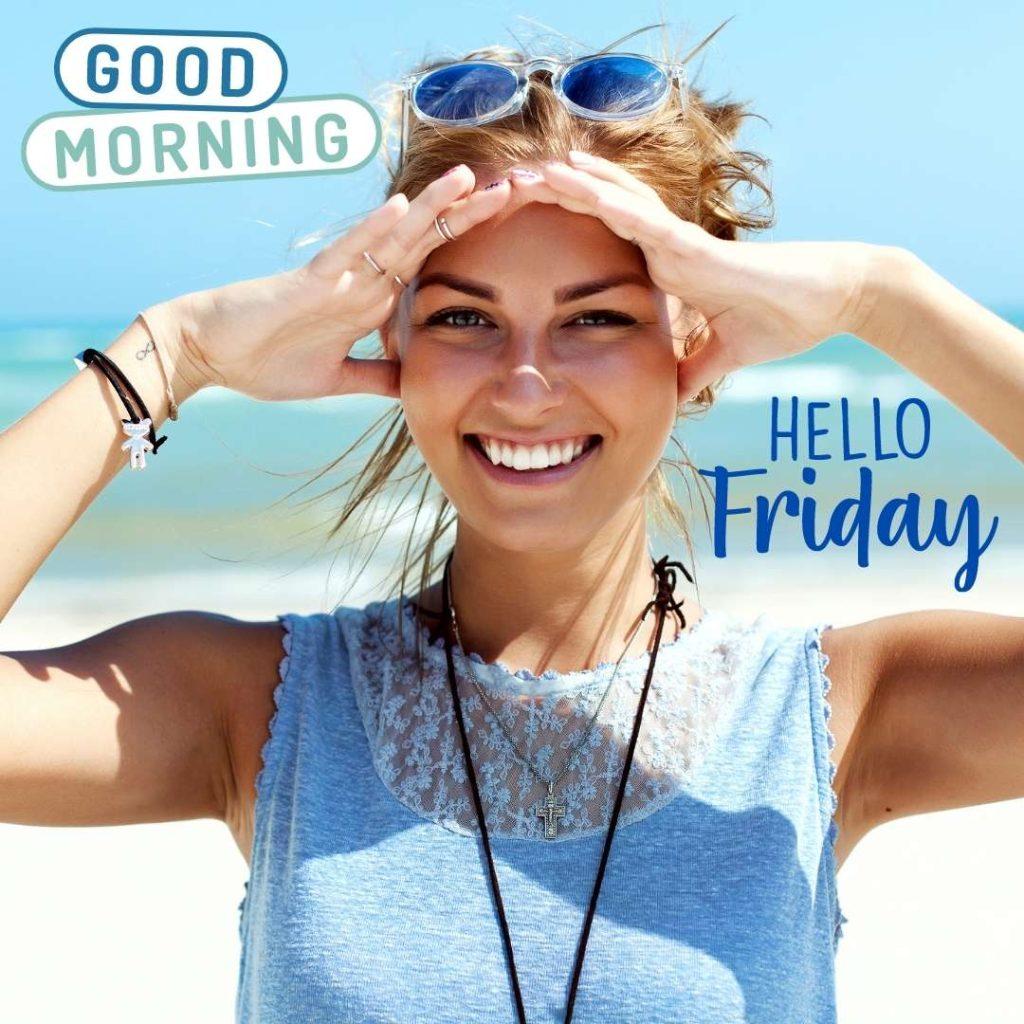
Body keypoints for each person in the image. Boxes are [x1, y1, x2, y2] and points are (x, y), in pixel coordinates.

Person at [2, 24, 1023, 1024]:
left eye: (596, 316)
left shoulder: (828, 712)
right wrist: (170, 353)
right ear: (392, 338)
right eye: (462, 317)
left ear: (696, 339)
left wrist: (881, 297)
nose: (526, 383)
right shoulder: (265, 709)